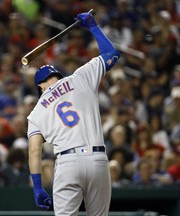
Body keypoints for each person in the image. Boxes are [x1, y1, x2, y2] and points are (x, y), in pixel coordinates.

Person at [27, 12, 120, 215]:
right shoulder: (79, 77)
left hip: (68, 163)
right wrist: (93, 27)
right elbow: (112, 54)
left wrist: (37, 187)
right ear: (58, 77)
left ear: (40, 88)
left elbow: (35, 151)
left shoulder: (36, 112)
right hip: (98, 160)